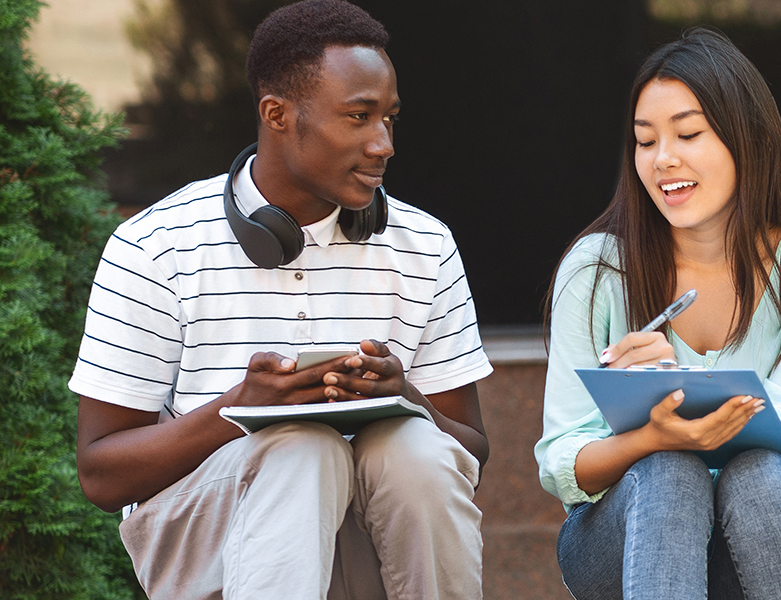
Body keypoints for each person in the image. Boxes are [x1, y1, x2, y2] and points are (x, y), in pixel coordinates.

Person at [69, 1, 490, 598]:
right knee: (301, 447)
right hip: (210, 547)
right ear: (277, 114)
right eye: (358, 116)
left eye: (389, 119)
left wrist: (405, 398)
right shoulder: (155, 244)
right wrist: (240, 408)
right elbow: (101, 473)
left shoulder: (425, 244)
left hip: (378, 539)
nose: (383, 144)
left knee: (417, 447)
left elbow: (471, 451)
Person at [536, 28, 781, 600]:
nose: (663, 160)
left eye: (688, 133)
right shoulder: (596, 268)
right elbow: (562, 462)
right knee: (669, 469)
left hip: (770, 524)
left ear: (747, 139)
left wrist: (678, 397)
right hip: (622, 532)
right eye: (644, 140)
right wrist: (646, 433)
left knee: (760, 474)